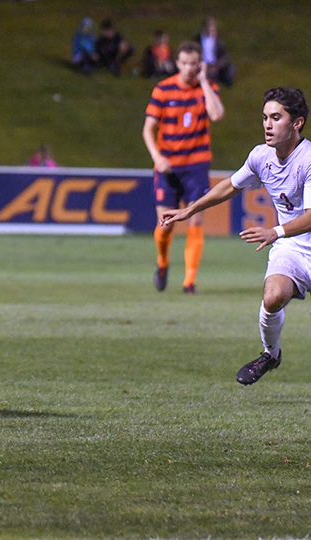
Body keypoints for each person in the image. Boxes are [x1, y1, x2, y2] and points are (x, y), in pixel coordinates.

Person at [161, 86, 311, 385]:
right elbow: (230, 185)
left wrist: (275, 231)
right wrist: (190, 209)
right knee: (272, 297)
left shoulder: (308, 160)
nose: (268, 124)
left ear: (297, 123)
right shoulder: (260, 156)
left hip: (283, 234)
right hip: (292, 246)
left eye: (276, 117)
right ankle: (270, 354)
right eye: (265, 117)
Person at [142, 41, 225, 294]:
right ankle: (162, 261)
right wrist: (157, 157)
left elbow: (216, 115)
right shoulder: (163, 89)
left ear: (200, 65)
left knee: (195, 219)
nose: (189, 68)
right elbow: (148, 129)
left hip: (196, 166)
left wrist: (204, 82)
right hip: (167, 166)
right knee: (165, 224)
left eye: (194, 63)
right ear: (177, 63)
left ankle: (189, 281)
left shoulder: (207, 88)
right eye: (185, 63)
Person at [196, 16, 235, 87]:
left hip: (215, 64)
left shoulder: (218, 41)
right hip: (203, 64)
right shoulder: (198, 40)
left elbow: (223, 55)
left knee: (231, 68)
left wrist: (217, 65)